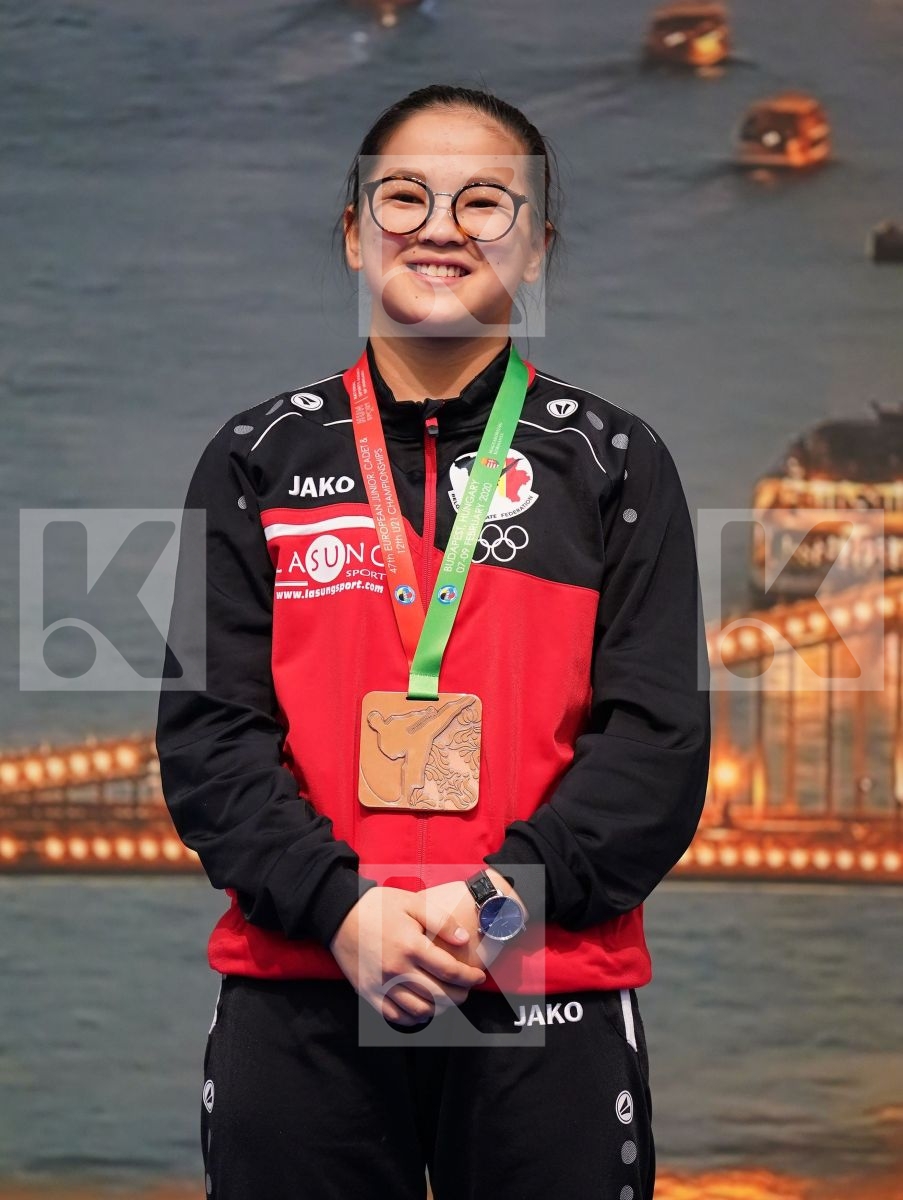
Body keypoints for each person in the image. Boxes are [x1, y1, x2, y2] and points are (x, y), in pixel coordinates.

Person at [155, 83, 711, 1200]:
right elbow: (210, 740)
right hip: (305, 984)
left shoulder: (616, 465)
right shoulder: (255, 458)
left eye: (486, 202)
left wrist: (495, 905)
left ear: (539, 245)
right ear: (356, 233)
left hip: (545, 991)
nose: (442, 225)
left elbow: (656, 752)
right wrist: (345, 911)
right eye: (404, 195)